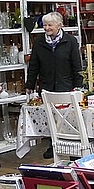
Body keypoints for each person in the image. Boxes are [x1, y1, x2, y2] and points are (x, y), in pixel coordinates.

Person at [25, 12, 83, 158]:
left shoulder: (70, 41)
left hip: (66, 85)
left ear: (59, 25)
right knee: (50, 118)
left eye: (50, 25)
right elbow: (34, 65)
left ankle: (73, 148)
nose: (46, 28)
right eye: (44, 25)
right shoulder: (39, 42)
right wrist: (30, 84)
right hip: (47, 85)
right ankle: (52, 145)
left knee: (69, 118)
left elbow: (77, 65)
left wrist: (79, 85)